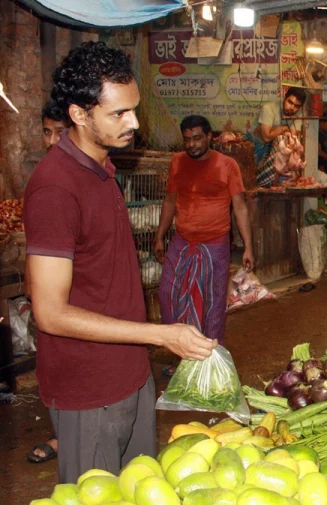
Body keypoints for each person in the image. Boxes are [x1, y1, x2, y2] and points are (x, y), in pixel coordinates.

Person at [24, 41, 217, 484]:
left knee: (140, 488)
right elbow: (49, 313)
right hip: (89, 389)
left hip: (130, 373)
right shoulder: (56, 188)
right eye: (118, 114)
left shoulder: (102, 167)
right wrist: (160, 334)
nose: (133, 122)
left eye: (133, 109)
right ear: (78, 114)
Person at [155, 115, 254, 374]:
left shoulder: (227, 165)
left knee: (212, 304)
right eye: (187, 139)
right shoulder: (177, 162)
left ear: (210, 137)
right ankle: (180, 356)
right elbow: (169, 201)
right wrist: (159, 236)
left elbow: (240, 208)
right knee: (168, 296)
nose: (192, 144)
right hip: (182, 241)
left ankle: (210, 361)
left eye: (197, 138)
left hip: (215, 245)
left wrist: (248, 247)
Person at [25, 99, 71, 465]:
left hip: (72, 303)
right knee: (53, 370)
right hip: (49, 294)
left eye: (60, 132)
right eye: (46, 132)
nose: (52, 140)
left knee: (69, 372)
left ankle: (64, 439)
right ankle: (62, 436)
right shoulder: (46, 177)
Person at [254, 87, 306, 187]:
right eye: (290, 102)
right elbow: (266, 137)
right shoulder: (269, 108)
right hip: (257, 149)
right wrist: (283, 128)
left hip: (275, 156)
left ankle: (275, 182)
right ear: (284, 98)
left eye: (296, 106)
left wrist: (278, 132)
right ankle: (263, 181)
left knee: (289, 143)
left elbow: (293, 138)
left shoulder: (298, 114)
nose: (292, 108)